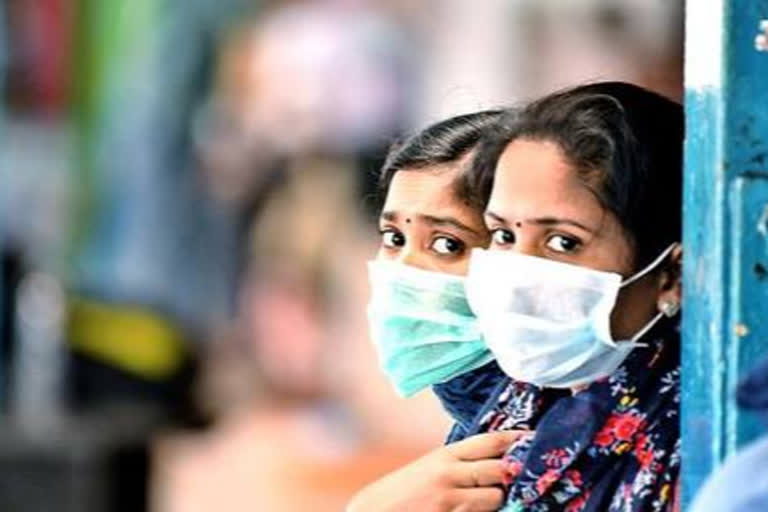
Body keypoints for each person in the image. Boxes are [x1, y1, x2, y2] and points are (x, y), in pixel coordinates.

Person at [459, 81, 683, 511]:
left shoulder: (691, 449)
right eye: (504, 235)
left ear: (670, 274)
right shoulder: (516, 406)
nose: (518, 275)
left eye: (563, 242)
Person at [352, 110, 537, 512]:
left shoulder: (548, 439)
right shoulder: (476, 427)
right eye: (394, 237)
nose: (403, 270)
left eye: (447, 244)